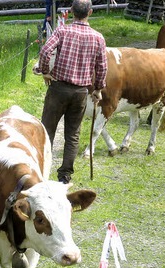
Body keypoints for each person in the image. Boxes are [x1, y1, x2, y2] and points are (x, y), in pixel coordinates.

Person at [37, 0, 107, 184]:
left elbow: (45, 51)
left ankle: (42, 169)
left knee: (47, 130)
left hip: (58, 88)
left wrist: (45, 71)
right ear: (90, 12)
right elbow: (102, 67)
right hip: (80, 93)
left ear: (71, 11)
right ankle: (65, 175)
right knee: (73, 134)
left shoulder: (62, 31)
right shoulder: (98, 37)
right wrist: (98, 89)